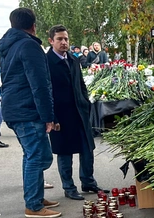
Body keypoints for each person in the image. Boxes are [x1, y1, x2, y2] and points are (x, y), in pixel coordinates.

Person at [0, 7, 61, 218]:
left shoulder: (9, 46)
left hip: (14, 108)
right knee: (40, 157)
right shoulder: (29, 46)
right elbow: (39, 84)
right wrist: (48, 117)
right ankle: (33, 205)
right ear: (33, 26)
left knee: (31, 155)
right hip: (27, 109)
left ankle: (35, 196)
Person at [46, 25, 105, 200]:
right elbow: (45, 91)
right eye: (59, 39)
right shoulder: (46, 62)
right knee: (65, 152)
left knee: (87, 148)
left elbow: (81, 84)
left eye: (66, 39)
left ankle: (88, 181)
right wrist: (51, 117)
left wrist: (85, 103)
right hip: (61, 113)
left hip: (79, 111)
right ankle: (69, 187)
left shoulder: (72, 59)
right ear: (51, 41)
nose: (64, 42)